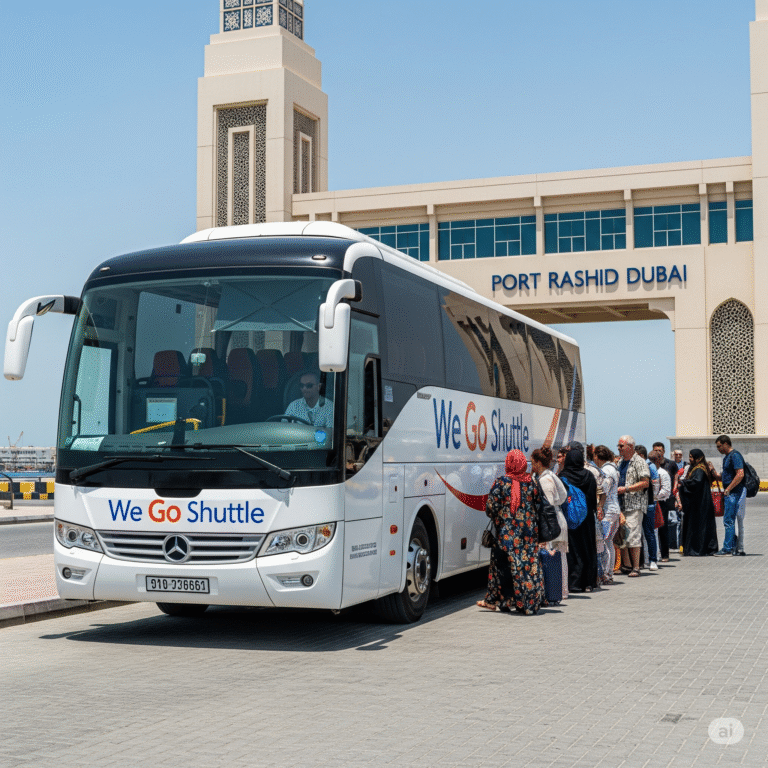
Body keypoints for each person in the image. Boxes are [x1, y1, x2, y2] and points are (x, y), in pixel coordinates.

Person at [477, 448, 545, 614]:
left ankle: (501, 600)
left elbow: (491, 508)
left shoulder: (501, 483)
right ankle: (526, 602)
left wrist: (501, 518)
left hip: (506, 534)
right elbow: (539, 506)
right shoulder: (533, 483)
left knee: (501, 566)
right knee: (526, 566)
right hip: (528, 534)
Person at [531, 446, 569, 601]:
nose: (531, 465)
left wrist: (544, 532)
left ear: (539, 463)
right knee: (559, 558)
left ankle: (556, 591)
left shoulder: (545, 480)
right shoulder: (550, 476)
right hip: (557, 521)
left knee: (553, 557)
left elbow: (547, 507)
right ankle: (561, 591)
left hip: (552, 524)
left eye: (533, 462)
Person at [560, 445, 599, 593]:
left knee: (573, 549)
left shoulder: (563, 475)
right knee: (588, 548)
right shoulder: (589, 475)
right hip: (587, 518)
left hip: (570, 519)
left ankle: (574, 582)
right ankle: (588, 582)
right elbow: (593, 497)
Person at [616, 435, 650, 577]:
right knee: (622, 536)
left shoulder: (639, 461)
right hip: (622, 504)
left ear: (630, 446)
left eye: (621, 446)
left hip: (634, 504)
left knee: (634, 536)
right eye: (618, 446)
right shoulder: (621, 462)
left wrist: (627, 489)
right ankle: (627, 565)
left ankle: (636, 567)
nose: (619, 448)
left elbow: (645, 482)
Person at [709, 435, 747, 556]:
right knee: (728, 520)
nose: (718, 449)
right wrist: (713, 471)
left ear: (726, 444)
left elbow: (740, 474)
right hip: (729, 492)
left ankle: (727, 548)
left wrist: (729, 489)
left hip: (734, 493)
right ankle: (732, 545)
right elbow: (723, 477)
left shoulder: (735, 455)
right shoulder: (727, 458)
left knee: (729, 521)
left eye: (719, 446)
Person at [677, 449, 719, 556]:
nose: (690, 459)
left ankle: (698, 549)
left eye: (691, 457)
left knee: (699, 526)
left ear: (698, 458)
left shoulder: (700, 469)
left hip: (700, 504)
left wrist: (683, 483)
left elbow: (696, 482)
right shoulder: (697, 468)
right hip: (700, 503)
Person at [593, 445, 621, 583]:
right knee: (609, 542)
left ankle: (606, 573)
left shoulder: (606, 470)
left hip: (608, 510)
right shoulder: (614, 468)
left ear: (597, 456)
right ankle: (609, 573)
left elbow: (603, 490)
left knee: (604, 542)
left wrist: (599, 507)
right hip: (615, 509)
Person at [652, 441, 678, 562]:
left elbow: (676, 478)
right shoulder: (651, 465)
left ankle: (665, 554)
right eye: (655, 450)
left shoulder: (670, 464)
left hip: (665, 500)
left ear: (663, 452)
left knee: (663, 526)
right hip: (654, 500)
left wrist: (675, 493)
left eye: (660, 450)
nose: (658, 452)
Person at [635, 444, 659, 571]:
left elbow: (656, 484)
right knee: (637, 534)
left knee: (649, 533)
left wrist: (654, 500)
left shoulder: (651, 467)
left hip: (649, 504)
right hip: (636, 505)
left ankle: (653, 560)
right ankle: (640, 561)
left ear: (641, 456)